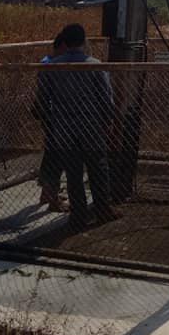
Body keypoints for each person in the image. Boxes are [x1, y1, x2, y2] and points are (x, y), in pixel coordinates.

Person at [37, 23, 118, 232]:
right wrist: (108, 122)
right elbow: (106, 98)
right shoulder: (95, 65)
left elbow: (42, 99)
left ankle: (78, 217)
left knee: (73, 174)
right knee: (98, 169)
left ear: (64, 41)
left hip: (63, 127)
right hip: (91, 126)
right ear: (84, 41)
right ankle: (103, 210)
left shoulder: (51, 66)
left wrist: (50, 122)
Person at [36, 32, 68, 211]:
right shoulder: (50, 64)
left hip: (52, 114)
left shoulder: (49, 62)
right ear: (62, 46)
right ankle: (52, 197)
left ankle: (47, 192)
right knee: (56, 156)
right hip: (53, 115)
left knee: (51, 155)